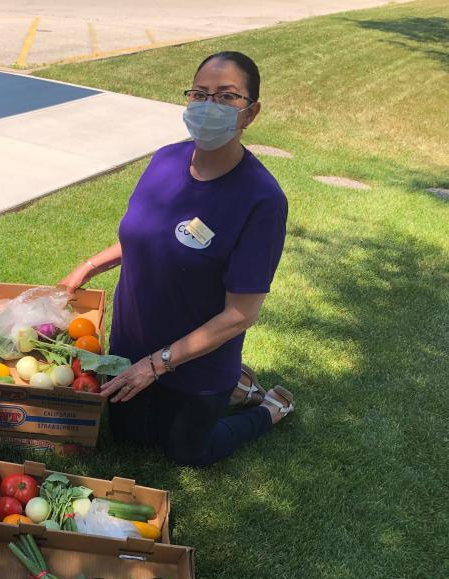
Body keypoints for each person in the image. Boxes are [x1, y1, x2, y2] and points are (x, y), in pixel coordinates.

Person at [60, 51, 294, 467]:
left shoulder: (261, 200)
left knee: (187, 451)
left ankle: (268, 409)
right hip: (131, 346)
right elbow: (144, 237)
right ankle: (239, 388)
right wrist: (88, 267)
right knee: (131, 437)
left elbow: (240, 315)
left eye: (226, 97)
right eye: (200, 94)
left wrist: (157, 365)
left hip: (197, 363)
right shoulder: (164, 160)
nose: (209, 107)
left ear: (251, 112)